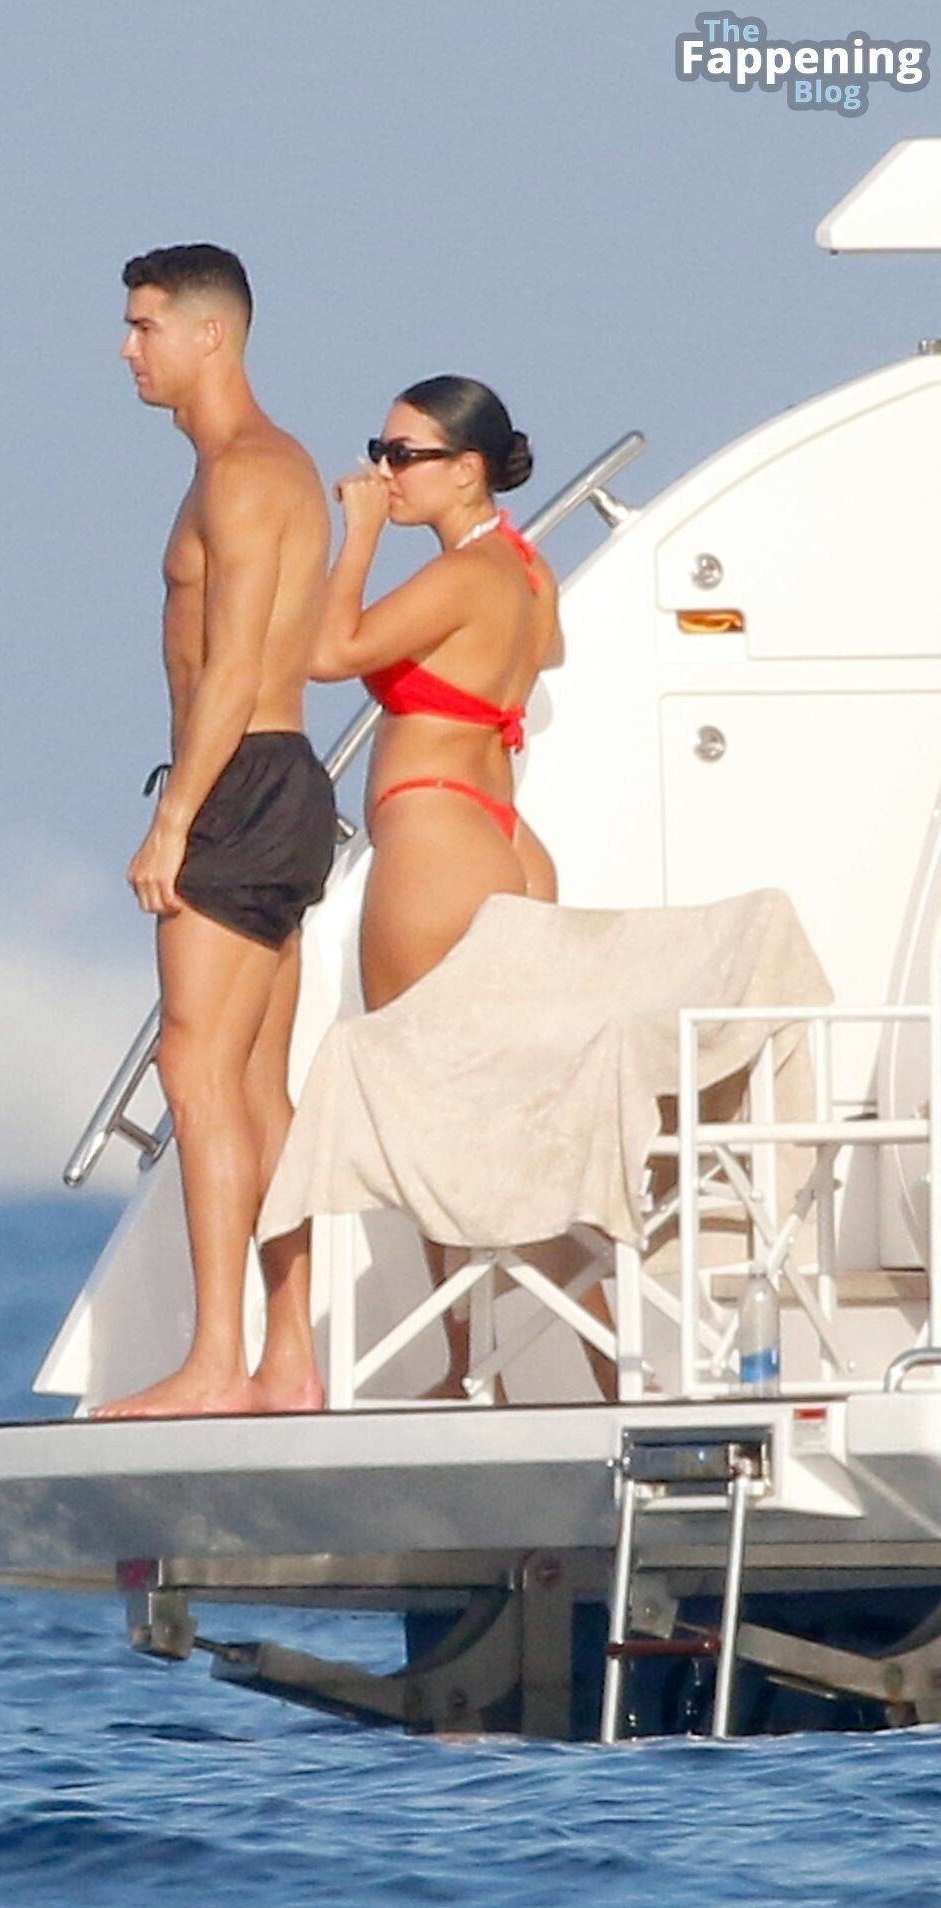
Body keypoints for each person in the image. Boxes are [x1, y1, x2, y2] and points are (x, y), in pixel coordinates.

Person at [310, 373, 615, 1400]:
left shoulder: (465, 573)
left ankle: (463, 1368)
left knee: (426, 1111)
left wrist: (355, 537)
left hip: (436, 834)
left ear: (467, 468)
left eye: (404, 456)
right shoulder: (524, 569)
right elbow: (546, 653)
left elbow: (329, 651)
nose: (382, 473)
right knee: (510, 1118)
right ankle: (603, 1363)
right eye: (379, 452)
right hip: (500, 836)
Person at [94, 244, 336, 1420]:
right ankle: (286, 1361)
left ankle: (214, 1365)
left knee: (193, 1070)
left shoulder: (242, 473)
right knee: (254, 1086)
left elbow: (233, 667)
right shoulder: (262, 467)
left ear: (210, 335)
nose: (126, 349)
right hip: (274, 781)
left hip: (238, 781)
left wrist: (171, 821)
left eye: (144, 327)